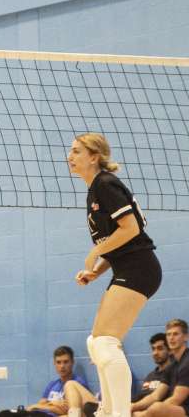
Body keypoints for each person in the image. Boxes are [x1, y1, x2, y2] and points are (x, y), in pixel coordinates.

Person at [69, 133, 163, 417]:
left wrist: (94, 253)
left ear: (94, 156)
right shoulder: (94, 190)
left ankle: (118, 413)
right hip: (128, 266)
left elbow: (131, 229)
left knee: (105, 342)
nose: (69, 157)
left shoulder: (105, 184)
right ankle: (107, 410)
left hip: (140, 267)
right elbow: (117, 241)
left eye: (76, 151)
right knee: (95, 341)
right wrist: (96, 272)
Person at [139, 319, 189, 417]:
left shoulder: (187, 361)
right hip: (176, 409)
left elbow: (176, 400)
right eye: (168, 334)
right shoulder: (171, 365)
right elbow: (155, 396)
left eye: (175, 334)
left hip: (185, 409)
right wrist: (132, 407)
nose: (171, 338)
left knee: (157, 408)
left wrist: (144, 414)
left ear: (186, 337)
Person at [25, 346, 89, 416]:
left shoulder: (77, 384)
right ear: (54, 363)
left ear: (72, 362)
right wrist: (54, 403)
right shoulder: (52, 384)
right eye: (58, 362)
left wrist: (40, 405)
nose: (62, 366)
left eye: (66, 362)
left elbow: (69, 411)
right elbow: (40, 403)